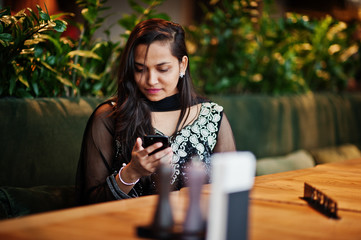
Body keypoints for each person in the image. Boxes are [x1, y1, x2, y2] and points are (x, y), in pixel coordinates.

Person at [76, 18, 236, 205]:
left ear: (182, 64)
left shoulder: (211, 117)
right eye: (140, 69)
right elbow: (89, 203)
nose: (151, 80)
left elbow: (233, 189)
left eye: (163, 69)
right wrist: (131, 173)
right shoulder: (109, 117)